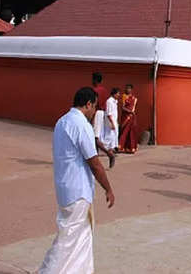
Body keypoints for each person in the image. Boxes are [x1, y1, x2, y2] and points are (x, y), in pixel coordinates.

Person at [38, 87, 115, 273]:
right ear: (88, 104)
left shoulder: (62, 121)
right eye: (94, 106)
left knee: (82, 236)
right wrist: (108, 188)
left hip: (66, 187)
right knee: (68, 239)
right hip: (78, 191)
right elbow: (95, 163)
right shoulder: (81, 125)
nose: (94, 111)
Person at [118, 83, 138, 154]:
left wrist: (132, 113)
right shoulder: (124, 96)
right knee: (124, 132)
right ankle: (121, 146)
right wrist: (129, 111)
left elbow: (134, 107)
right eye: (126, 88)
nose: (127, 89)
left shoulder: (133, 98)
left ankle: (131, 148)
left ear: (131, 89)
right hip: (126, 117)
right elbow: (123, 107)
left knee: (131, 132)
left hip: (132, 117)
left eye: (129, 88)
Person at [101, 88, 119, 165]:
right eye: (118, 93)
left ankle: (111, 150)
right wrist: (111, 123)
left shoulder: (115, 102)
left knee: (114, 136)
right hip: (110, 120)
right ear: (114, 94)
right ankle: (106, 150)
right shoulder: (109, 101)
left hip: (114, 120)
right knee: (109, 136)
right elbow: (109, 113)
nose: (119, 95)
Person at [91, 72, 107, 148]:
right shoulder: (104, 90)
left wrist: (92, 117)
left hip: (96, 112)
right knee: (99, 133)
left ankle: (107, 152)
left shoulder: (95, 90)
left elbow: (95, 104)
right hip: (102, 112)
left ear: (95, 80)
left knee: (95, 134)